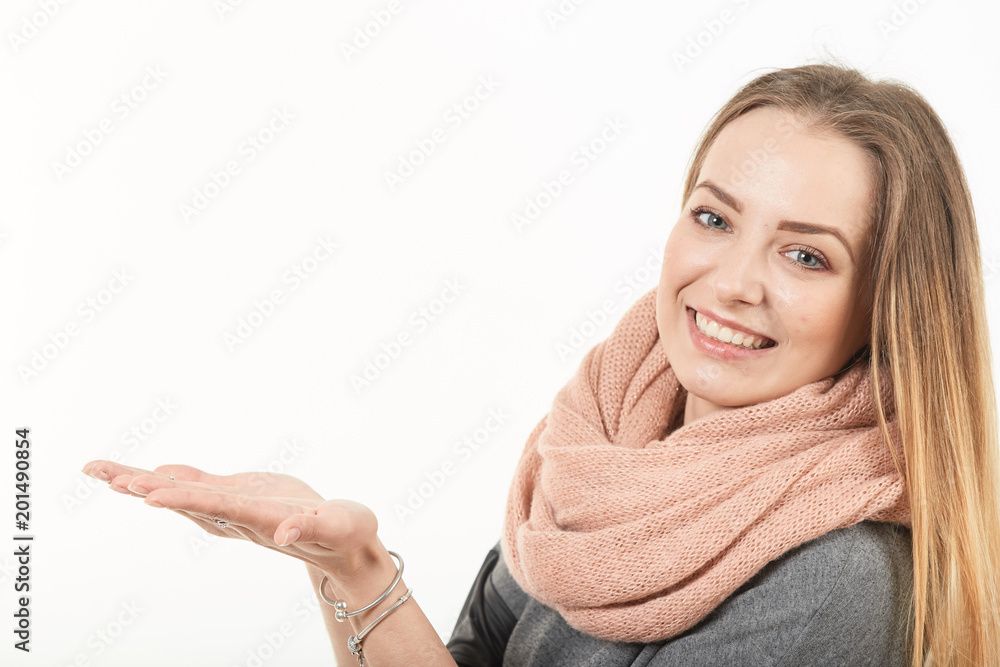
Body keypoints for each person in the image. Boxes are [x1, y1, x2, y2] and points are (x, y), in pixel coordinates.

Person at [82, 61, 1000, 667]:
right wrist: (347, 566)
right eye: (714, 217)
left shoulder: (835, 575)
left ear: (887, 304)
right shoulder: (600, 445)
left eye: (805, 255)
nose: (731, 282)